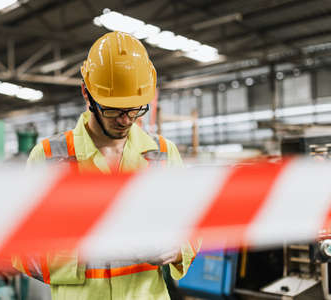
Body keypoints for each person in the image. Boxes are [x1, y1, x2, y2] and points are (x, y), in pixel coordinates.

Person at [13, 31, 198, 300]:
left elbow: (195, 225)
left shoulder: (163, 155)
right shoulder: (49, 159)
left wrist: (177, 249)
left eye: (135, 109)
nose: (125, 120)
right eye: (113, 110)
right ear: (86, 94)